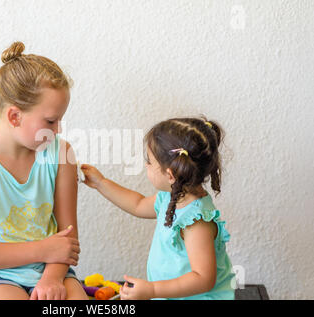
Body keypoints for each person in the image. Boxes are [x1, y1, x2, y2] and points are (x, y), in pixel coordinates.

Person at [0, 41, 87, 300]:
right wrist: (42, 249)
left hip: (52, 268)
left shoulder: (61, 155)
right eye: (50, 121)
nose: (58, 131)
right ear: (14, 117)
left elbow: (67, 238)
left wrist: (52, 278)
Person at [81, 117, 236, 300]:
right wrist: (101, 183)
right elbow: (137, 204)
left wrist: (153, 290)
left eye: (149, 161)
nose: (146, 165)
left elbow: (203, 279)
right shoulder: (171, 197)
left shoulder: (196, 221)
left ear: (170, 175)